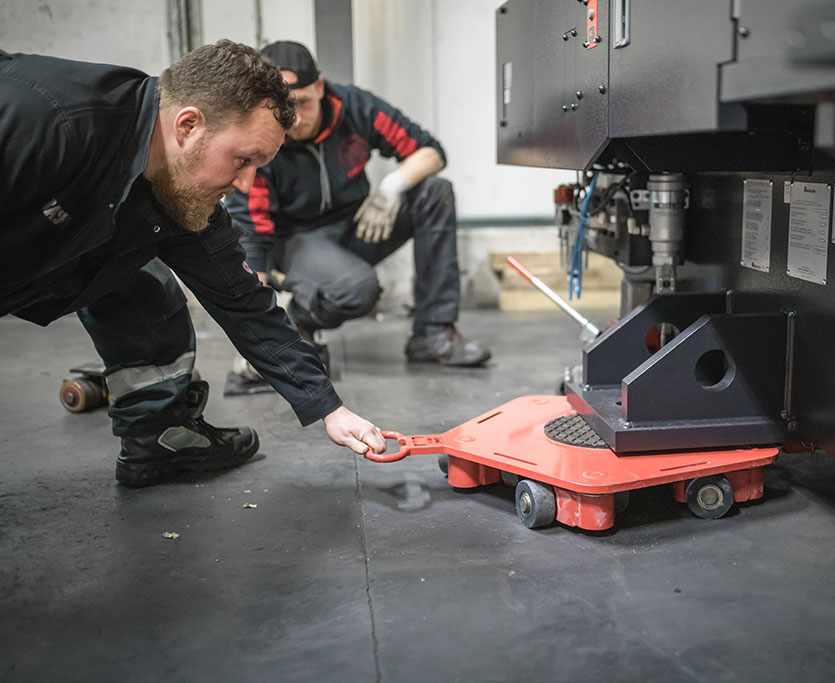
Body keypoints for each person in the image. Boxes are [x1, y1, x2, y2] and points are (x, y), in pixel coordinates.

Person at [0, 40, 387, 487]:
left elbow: (245, 304)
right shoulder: (43, 121)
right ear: (188, 125)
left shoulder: (180, 187)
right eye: (243, 160)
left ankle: (157, 436)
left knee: (138, 275)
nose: (245, 184)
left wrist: (329, 409)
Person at [223, 41, 490, 372]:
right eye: (284, 109)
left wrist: (390, 189)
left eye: (304, 103)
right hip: (298, 242)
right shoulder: (260, 139)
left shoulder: (355, 106)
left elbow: (431, 152)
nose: (295, 119)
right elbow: (250, 235)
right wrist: (259, 338)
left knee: (435, 192)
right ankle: (293, 324)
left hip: (360, 223)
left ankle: (433, 333)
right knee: (358, 290)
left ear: (320, 87)